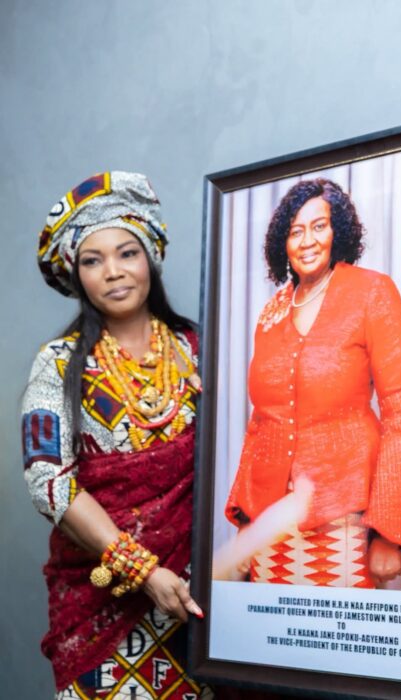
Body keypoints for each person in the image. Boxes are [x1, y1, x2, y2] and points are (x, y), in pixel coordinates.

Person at [23, 172, 209, 698]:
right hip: (100, 605)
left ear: (151, 255)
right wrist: (145, 571)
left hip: (202, 588)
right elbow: (47, 482)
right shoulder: (57, 366)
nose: (113, 272)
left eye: (127, 252)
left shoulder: (200, 349)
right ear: (76, 275)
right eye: (92, 260)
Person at [223, 177, 401, 588]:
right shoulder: (272, 312)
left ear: (337, 230)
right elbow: (261, 423)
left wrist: (388, 536)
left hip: (347, 524)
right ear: (282, 244)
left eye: (318, 226)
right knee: (273, 647)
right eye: (296, 230)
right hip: (272, 527)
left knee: (339, 646)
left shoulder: (371, 293)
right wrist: (247, 523)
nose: (307, 241)